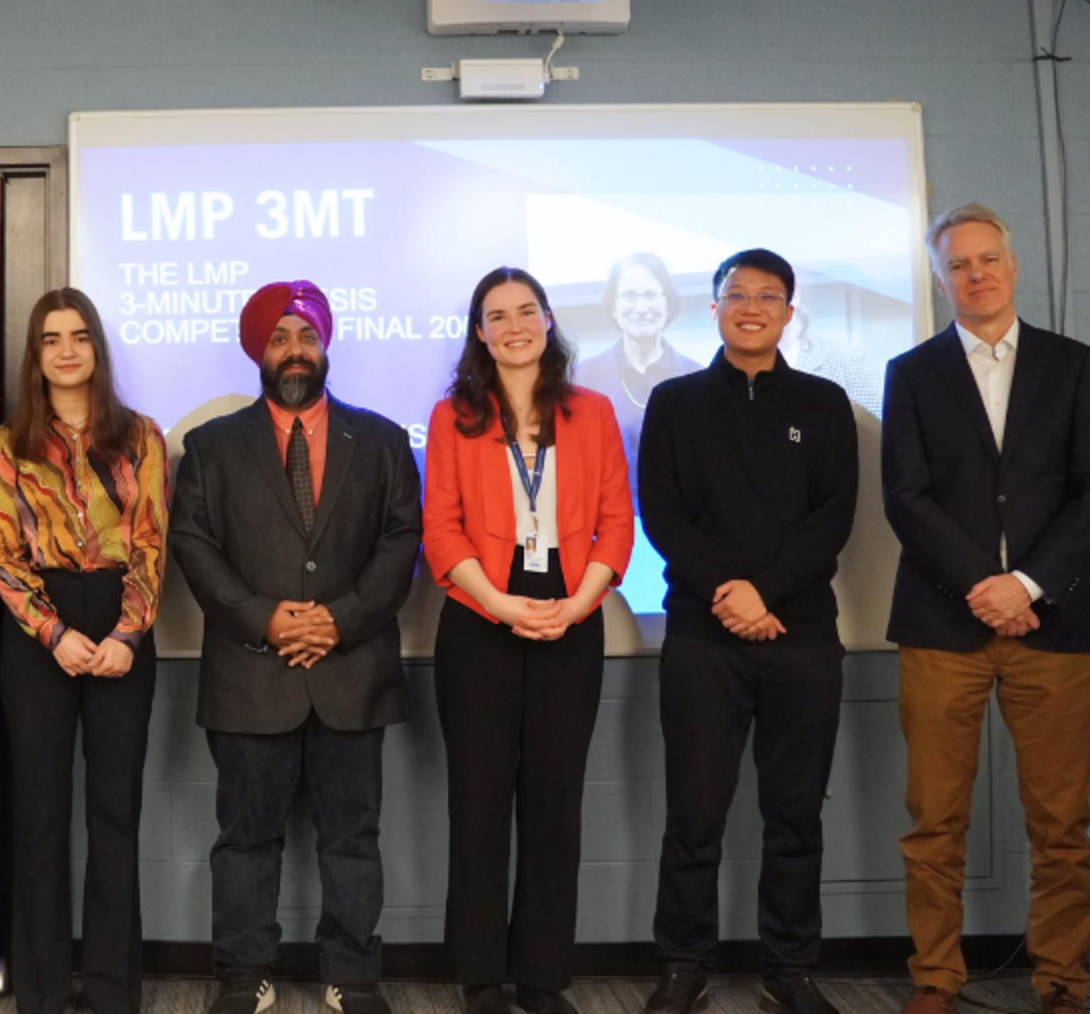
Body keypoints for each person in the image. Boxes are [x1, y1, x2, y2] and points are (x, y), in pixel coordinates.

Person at [169, 280, 422, 1014]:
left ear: (325, 345)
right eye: (279, 337)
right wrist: (265, 619)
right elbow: (193, 544)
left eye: (306, 335)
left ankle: (354, 974)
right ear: (259, 351)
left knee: (353, 838)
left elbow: (400, 542)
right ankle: (244, 975)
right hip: (251, 674)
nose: (295, 350)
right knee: (245, 839)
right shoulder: (210, 448)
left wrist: (338, 620)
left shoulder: (379, 441)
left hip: (353, 668)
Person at [636, 249, 858, 1014]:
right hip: (704, 637)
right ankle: (682, 964)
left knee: (794, 813)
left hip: (802, 640)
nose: (753, 306)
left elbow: (831, 519)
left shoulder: (827, 403)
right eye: (737, 294)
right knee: (694, 812)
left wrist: (764, 591)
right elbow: (663, 514)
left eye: (770, 296)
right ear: (715, 308)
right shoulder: (674, 401)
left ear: (790, 313)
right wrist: (731, 594)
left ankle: (789, 970)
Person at [882, 204, 1090, 1014]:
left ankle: (1065, 984)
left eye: (988, 258)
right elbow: (908, 497)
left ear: (1013, 265)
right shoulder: (912, 372)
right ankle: (936, 980)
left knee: (1063, 826)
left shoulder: (1076, 367)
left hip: (1059, 624)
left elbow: (1086, 496)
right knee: (933, 823)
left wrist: (1028, 584)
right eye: (959, 264)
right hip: (942, 626)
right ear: (941, 281)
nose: (977, 273)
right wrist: (986, 585)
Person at [422, 267, 634, 1014]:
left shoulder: (595, 412)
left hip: (571, 615)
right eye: (496, 315)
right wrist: (501, 605)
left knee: (555, 803)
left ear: (548, 320)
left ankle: (543, 978)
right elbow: (441, 529)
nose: (513, 326)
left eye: (526, 311)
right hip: (481, 617)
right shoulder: (455, 416)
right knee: (479, 802)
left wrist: (578, 604)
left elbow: (617, 519)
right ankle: (482, 977)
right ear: (479, 332)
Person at [0, 289, 167, 1014]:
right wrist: (52, 633)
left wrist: (127, 633)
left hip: (121, 619)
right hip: (39, 632)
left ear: (96, 349)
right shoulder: (7, 444)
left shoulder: (141, 436)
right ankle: (44, 988)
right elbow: (1, 555)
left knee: (115, 814)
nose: (66, 350)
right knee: (39, 813)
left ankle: (116, 989)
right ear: (35, 353)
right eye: (51, 338)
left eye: (79, 336)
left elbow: (151, 541)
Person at [574, 253, 701, 503]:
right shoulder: (580, 378)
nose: (641, 308)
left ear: (668, 304)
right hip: (604, 527)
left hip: (681, 527)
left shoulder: (698, 378)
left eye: (651, 296)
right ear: (613, 305)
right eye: (629, 296)